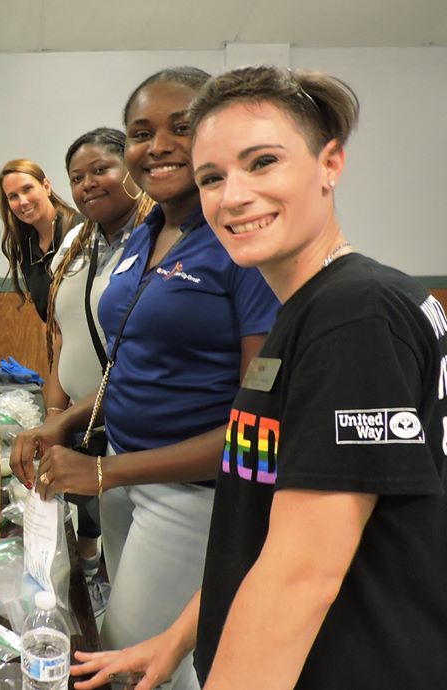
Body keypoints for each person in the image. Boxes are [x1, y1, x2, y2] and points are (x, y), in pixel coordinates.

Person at [72, 64, 447, 690]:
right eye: (213, 176)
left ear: (330, 164)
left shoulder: (355, 315)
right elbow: (262, 529)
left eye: (263, 162)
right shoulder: (302, 313)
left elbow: (302, 575)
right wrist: (178, 637)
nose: (233, 195)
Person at [11, 67, 279, 690]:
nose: (157, 145)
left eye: (180, 127)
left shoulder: (240, 243)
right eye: (140, 131)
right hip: (122, 472)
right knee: (160, 658)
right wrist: (63, 423)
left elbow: (260, 429)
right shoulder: (146, 237)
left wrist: (104, 471)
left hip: (193, 493)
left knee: (129, 658)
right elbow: (123, 365)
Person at [43, 127, 156, 591]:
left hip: (138, 431)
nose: (87, 183)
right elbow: (63, 340)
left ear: (131, 168)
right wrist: (56, 416)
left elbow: (141, 361)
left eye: (100, 169)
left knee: (141, 569)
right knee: (107, 546)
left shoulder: (158, 244)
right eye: (76, 176)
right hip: (82, 424)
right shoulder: (74, 246)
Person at [0, 159, 81, 322]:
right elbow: (52, 322)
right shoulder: (25, 246)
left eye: (27, 189)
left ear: (46, 187)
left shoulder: (82, 230)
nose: (23, 201)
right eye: (13, 196)